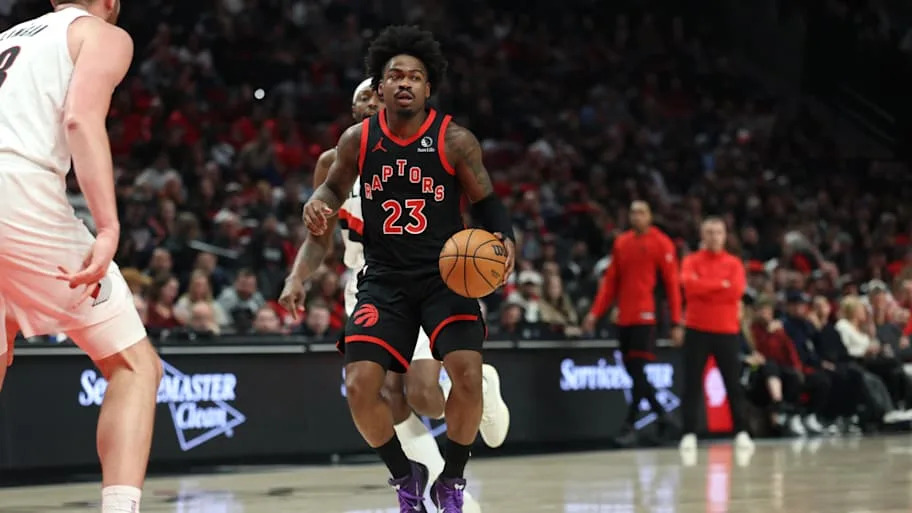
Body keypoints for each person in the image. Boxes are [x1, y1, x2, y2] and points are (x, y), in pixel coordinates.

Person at [294, 26, 516, 512]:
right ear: (379, 86)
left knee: (453, 380)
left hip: (444, 277)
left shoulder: (455, 140)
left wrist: (504, 238)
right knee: (361, 387)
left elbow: (489, 203)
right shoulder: (355, 144)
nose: (404, 84)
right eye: (394, 76)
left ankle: (452, 480)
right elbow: (330, 193)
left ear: (427, 86)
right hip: (383, 280)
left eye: (414, 76)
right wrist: (318, 200)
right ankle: (406, 474)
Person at [0, 2, 162, 513]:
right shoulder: (102, 34)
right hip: (16, 193)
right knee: (135, 366)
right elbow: (79, 118)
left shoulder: (6, 39)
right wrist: (109, 226)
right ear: (112, 1)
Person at [582, 200, 683, 446]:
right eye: (633, 212)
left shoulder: (661, 243)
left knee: (637, 369)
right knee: (633, 371)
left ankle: (630, 425)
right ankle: (663, 415)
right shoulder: (622, 243)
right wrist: (595, 313)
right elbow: (610, 283)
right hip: (624, 317)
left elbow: (672, 284)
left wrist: (676, 321)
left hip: (646, 316)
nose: (636, 216)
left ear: (650, 216)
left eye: (641, 212)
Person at [677, 218, 753, 452]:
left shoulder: (734, 264)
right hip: (697, 329)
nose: (714, 236)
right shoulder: (690, 261)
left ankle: (741, 431)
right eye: (709, 232)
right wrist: (720, 285)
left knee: (733, 384)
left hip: (727, 330)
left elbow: (736, 291)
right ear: (702, 235)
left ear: (724, 235)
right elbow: (689, 287)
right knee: (691, 383)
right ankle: (689, 432)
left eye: (718, 232)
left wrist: (706, 287)